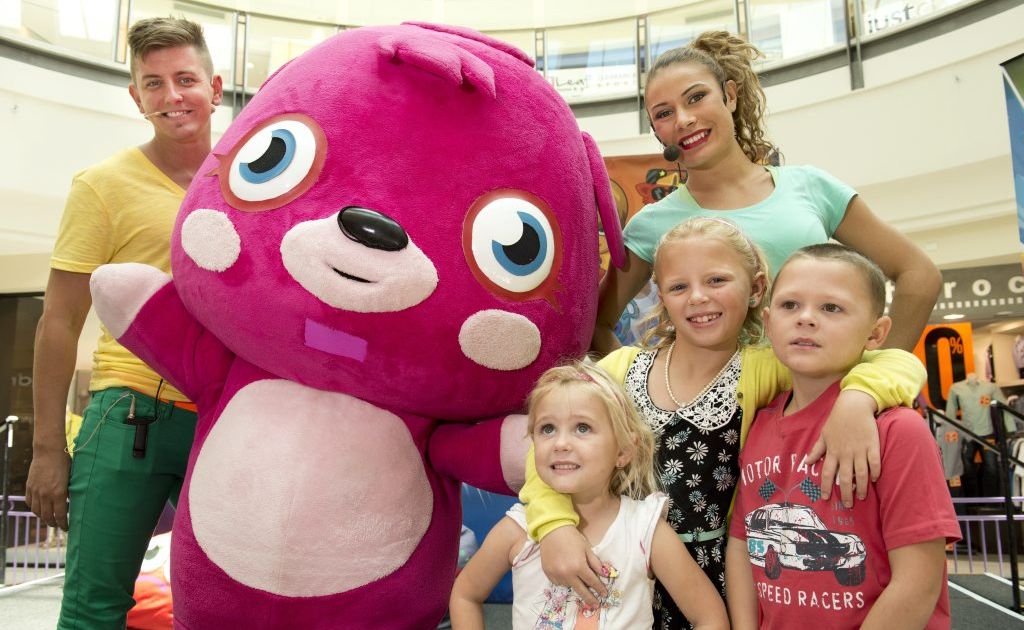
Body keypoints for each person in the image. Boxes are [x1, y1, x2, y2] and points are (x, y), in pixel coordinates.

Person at [520, 218, 926, 629]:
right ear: (662, 297)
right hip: (618, 574)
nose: (697, 297)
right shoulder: (620, 370)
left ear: (755, 289)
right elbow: (547, 449)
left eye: (716, 280)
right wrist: (554, 526)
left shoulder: (770, 367)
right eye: (679, 287)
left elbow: (897, 361)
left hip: (717, 584)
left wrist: (859, 397)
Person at [24, 17, 222, 629]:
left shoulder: (252, 178)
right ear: (136, 98)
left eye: (185, 79)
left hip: (224, 422)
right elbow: (58, 322)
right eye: (154, 84)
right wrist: (48, 448)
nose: (172, 97)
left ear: (215, 87)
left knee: (225, 608)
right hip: (125, 416)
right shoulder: (102, 187)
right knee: (94, 609)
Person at [593, 31, 940, 357]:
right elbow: (596, 325)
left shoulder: (811, 187)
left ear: (729, 96)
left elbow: (919, 275)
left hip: (820, 410)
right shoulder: (652, 225)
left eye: (696, 98)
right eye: (664, 113)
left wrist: (876, 383)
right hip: (716, 420)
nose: (683, 119)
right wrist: (638, 395)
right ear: (657, 131)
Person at [725, 243, 960, 630]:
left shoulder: (898, 430)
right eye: (789, 306)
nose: (806, 319)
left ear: (876, 332)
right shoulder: (759, 424)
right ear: (767, 323)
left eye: (831, 308)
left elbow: (918, 582)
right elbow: (743, 543)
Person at [449, 362, 729, 630]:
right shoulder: (517, 529)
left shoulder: (645, 529)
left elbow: (711, 618)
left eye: (582, 428)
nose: (560, 443)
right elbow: (465, 595)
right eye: (547, 429)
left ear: (623, 451)